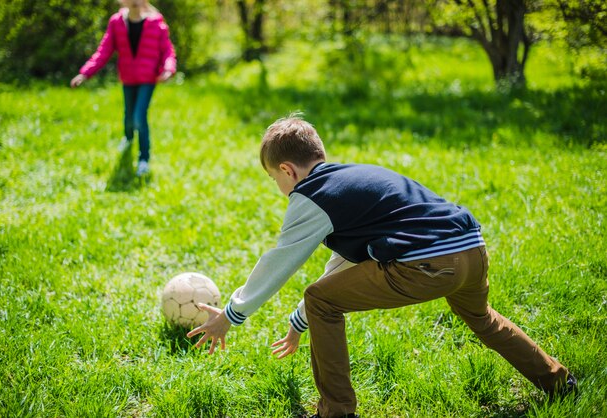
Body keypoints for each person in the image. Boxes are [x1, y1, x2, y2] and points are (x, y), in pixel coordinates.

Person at [188, 115, 577, 418]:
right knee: (483, 319)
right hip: (471, 249)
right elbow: (346, 263)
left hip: (428, 263)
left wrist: (232, 316)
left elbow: (280, 261)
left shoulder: (311, 195)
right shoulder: (350, 179)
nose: (279, 187)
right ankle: (560, 383)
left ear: (287, 170)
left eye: (274, 179)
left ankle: (336, 411)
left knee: (321, 299)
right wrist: (299, 321)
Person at [71, 0, 176, 177]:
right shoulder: (117, 23)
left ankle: (144, 159)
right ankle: (128, 139)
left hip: (148, 79)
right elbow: (103, 52)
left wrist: (168, 69)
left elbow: (168, 51)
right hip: (128, 78)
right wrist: (85, 73)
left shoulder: (156, 23)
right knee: (128, 116)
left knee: (139, 117)